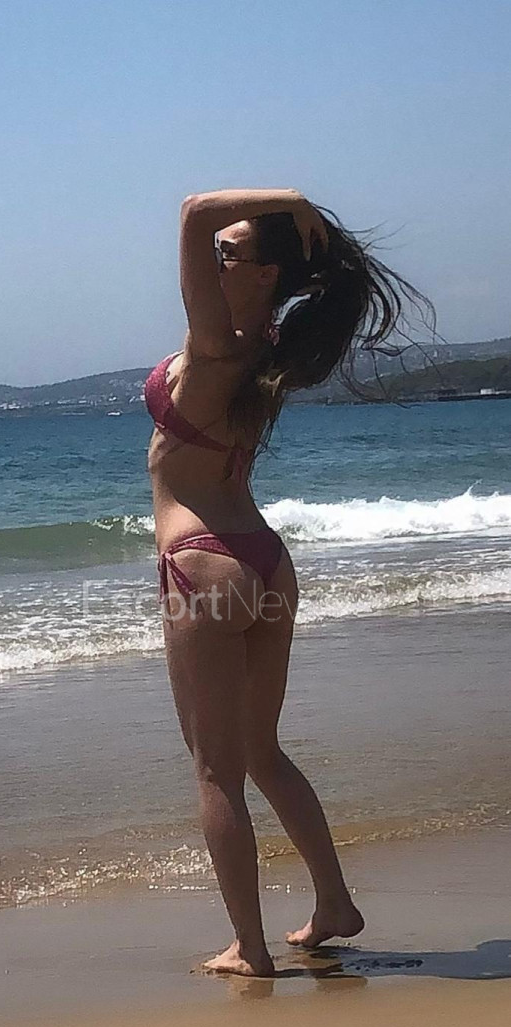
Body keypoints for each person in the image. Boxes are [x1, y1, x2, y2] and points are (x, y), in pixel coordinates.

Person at [144, 188, 431, 977]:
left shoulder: (217, 345)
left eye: (228, 252)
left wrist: (293, 201)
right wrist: (288, 224)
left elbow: (193, 210)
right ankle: (333, 902)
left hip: (204, 563)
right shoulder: (270, 348)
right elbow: (207, 227)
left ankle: (250, 948)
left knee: (216, 769)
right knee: (262, 751)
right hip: (264, 562)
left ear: (266, 274)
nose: (214, 258)